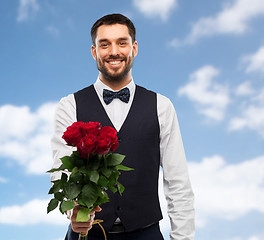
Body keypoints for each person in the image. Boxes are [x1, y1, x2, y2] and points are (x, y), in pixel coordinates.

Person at [50, 13, 195, 240]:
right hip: (87, 234)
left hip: (146, 233)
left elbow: (178, 182)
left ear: (134, 48)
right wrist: (74, 211)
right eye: (104, 44)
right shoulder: (69, 105)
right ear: (94, 52)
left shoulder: (161, 106)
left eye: (122, 42)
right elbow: (62, 170)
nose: (114, 51)